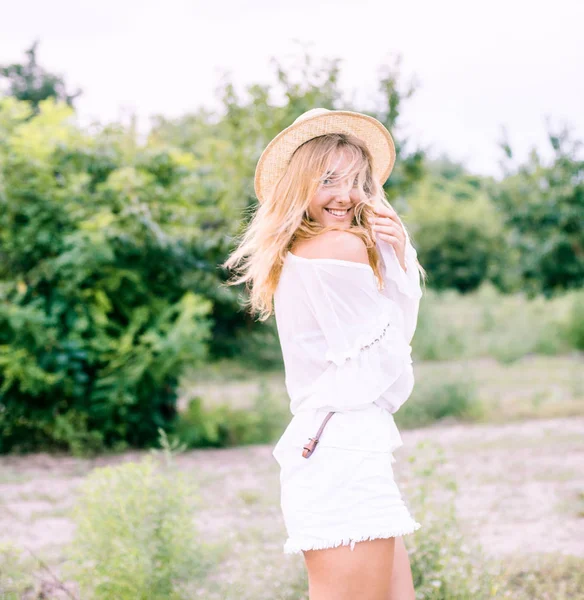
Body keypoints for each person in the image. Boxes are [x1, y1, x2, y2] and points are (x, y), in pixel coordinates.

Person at [223, 107, 427, 600]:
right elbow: (389, 364)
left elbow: (385, 351)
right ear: (299, 183)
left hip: (340, 445)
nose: (346, 195)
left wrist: (395, 260)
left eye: (357, 181)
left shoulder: (307, 248)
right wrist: (396, 261)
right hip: (341, 450)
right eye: (328, 179)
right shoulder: (339, 250)